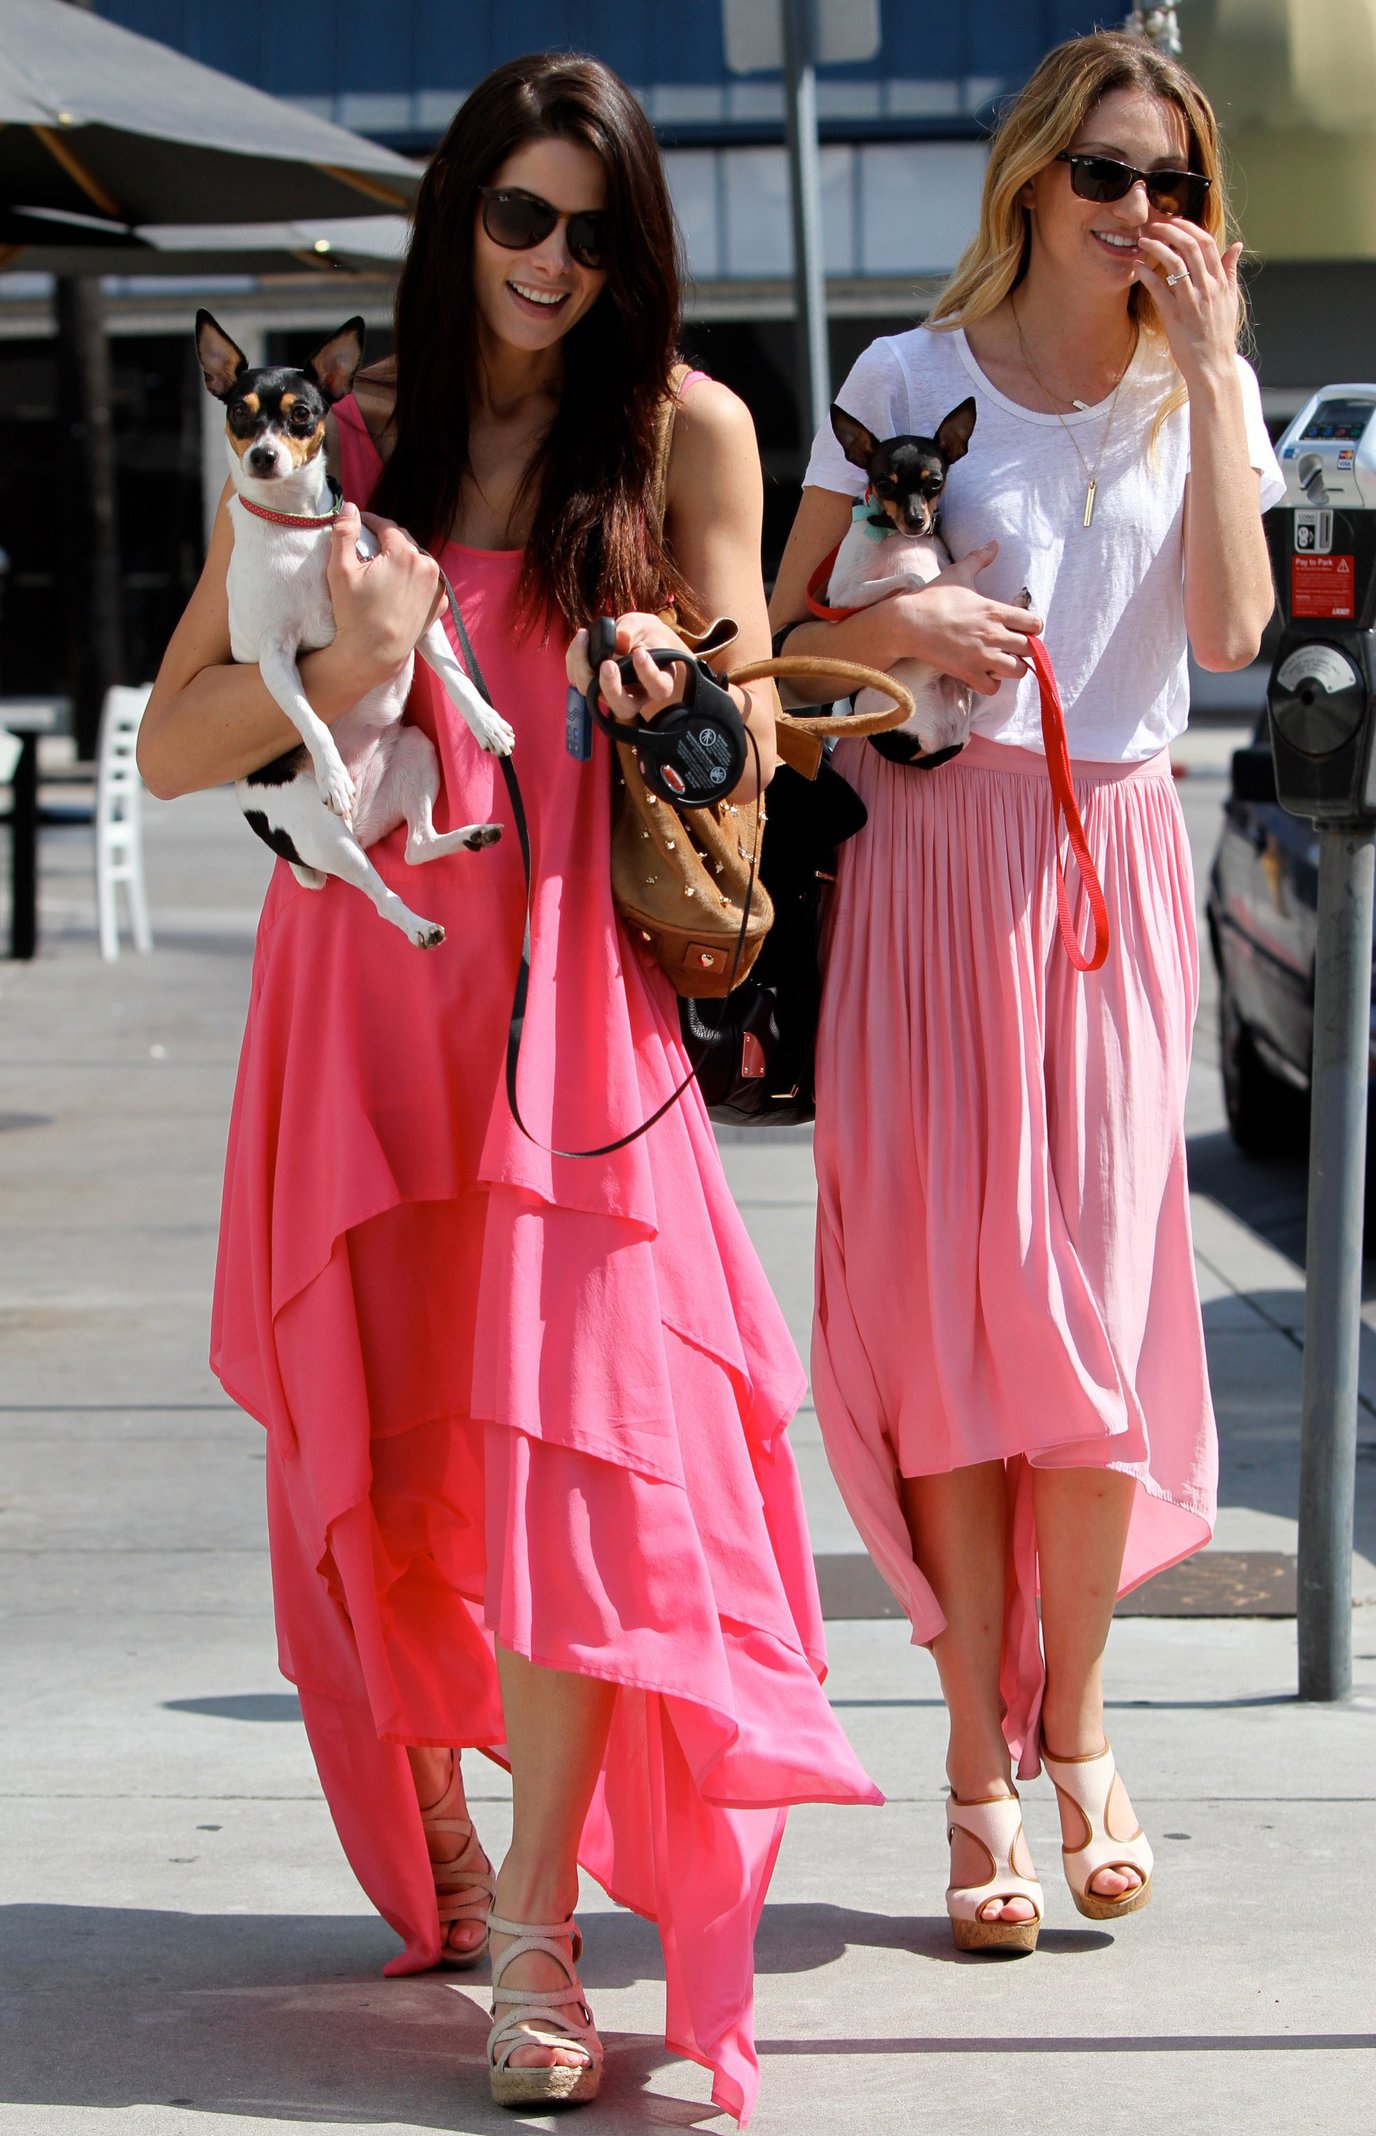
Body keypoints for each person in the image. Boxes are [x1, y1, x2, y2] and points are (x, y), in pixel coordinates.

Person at [140, 51, 877, 2119]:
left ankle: (542, 1923)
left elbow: (751, 756)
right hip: (362, 1007)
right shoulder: (340, 447)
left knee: (569, 1464)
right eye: (516, 216)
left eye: (592, 226)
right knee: (381, 1464)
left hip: (570, 1023)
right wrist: (365, 666)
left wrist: (679, 703)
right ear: (457, 217)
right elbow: (174, 747)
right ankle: (447, 1830)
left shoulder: (688, 437)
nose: (551, 262)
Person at [768, 29, 1282, 1953]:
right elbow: (781, 630)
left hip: (1112, 861)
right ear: (1034, 182)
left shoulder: (1186, 395)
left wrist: (1223, 374)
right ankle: (977, 1779)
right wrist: (898, 624)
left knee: (1090, 1323)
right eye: (1111, 178)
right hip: (925, 874)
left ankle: (1075, 1733)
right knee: (961, 1334)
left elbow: (1229, 630)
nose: (1144, 214)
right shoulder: (906, 378)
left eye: (1178, 188)